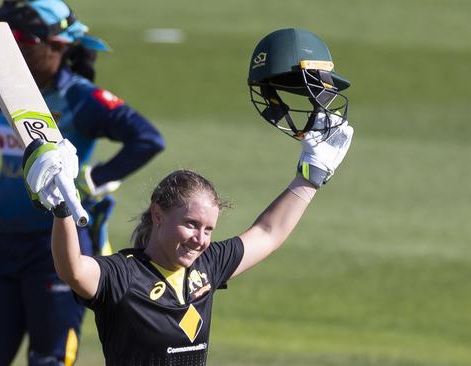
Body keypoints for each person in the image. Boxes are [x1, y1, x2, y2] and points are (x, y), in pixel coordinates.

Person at [22, 28, 354, 365]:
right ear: (158, 215)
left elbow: (268, 233)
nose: (200, 239)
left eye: (208, 229)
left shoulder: (206, 268)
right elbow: (73, 271)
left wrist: (310, 178)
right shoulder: (124, 276)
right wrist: (61, 209)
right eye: (192, 225)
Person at [0, 0, 165, 365]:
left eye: (19, 40)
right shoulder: (5, 96)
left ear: (58, 45)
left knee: (48, 360)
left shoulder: (80, 98)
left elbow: (147, 138)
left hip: (57, 255)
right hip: (3, 248)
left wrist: (93, 180)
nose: (9, 53)